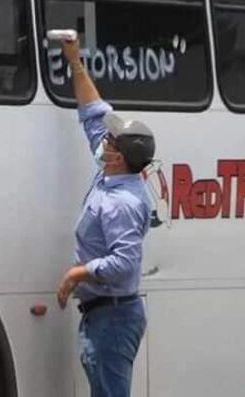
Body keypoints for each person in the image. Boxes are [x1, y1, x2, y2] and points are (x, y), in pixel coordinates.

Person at [55, 32, 156, 397]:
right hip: (103, 315)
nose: (103, 142)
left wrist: (77, 274)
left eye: (110, 143)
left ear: (119, 157)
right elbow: (95, 115)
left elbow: (125, 263)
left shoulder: (122, 203)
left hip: (112, 319)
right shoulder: (112, 174)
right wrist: (75, 62)